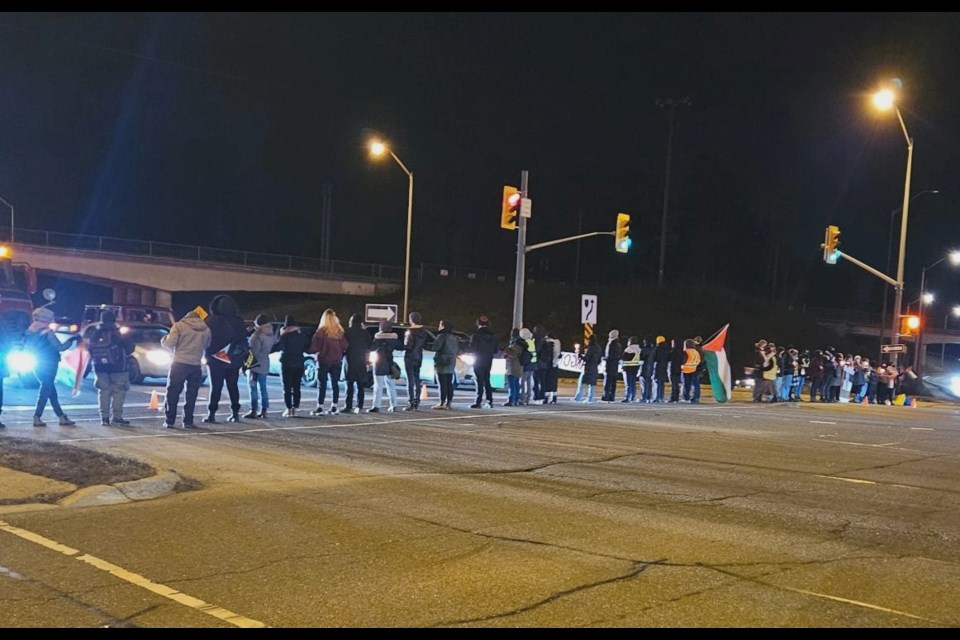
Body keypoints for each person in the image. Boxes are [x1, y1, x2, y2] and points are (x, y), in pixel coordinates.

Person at [26, 307, 78, 427]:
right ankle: (37, 416)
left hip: (36, 363)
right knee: (45, 390)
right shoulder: (47, 332)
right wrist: (72, 340)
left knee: (50, 390)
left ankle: (61, 416)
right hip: (49, 363)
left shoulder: (30, 330)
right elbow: (60, 347)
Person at [161, 306, 211, 429]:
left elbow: (169, 344)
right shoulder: (206, 329)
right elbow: (207, 345)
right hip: (196, 365)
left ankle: (170, 420)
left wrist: (163, 340)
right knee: (191, 394)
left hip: (179, 363)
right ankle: (188, 421)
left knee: (173, 392)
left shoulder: (179, 326)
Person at [203, 294, 248, 423]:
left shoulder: (212, 320)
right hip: (234, 359)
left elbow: (208, 340)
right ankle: (235, 413)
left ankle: (211, 414)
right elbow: (243, 340)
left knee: (216, 388)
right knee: (233, 386)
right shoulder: (239, 321)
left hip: (217, 359)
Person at [86, 309, 135, 426]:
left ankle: (104, 418)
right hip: (118, 366)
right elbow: (130, 349)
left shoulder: (95, 333)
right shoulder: (118, 333)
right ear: (114, 320)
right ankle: (117, 417)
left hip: (99, 367)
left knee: (103, 391)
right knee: (119, 391)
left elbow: (89, 349)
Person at [308, 309, 349, 415]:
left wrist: (312, 351)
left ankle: (320, 406)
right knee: (335, 383)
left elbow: (314, 347)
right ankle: (334, 406)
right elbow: (345, 346)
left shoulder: (321, 332)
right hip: (336, 361)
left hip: (323, 360)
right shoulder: (339, 332)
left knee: (322, 384)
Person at [276, 315, 311, 417]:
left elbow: (278, 346)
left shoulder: (285, 335)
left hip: (287, 363)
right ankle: (295, 407)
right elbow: (307, 346)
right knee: (296, 386)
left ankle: (288, 408)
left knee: (286, 387)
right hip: (299, 363)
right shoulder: (301, 334)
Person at [245, 314, 277, 419]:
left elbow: (254, 352)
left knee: (253, 387)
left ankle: (253, 409)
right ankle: (264, 410)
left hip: (255, 364)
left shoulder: (257, 336)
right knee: (263, 388)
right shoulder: (271, 333)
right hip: (265, 362)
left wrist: (246, 362)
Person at [369, 320, 400, 412]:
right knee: (391, 385)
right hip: (390, 363)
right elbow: (401, 346)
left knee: (378, 386)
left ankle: (376, 406)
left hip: (379, 364)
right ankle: (394, 405)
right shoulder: (394, 339)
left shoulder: (377, 338)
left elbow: (371, 348)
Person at [344, 313, 372, 414]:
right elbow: (370, 345)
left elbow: (343, 346)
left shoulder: (347, 332)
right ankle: (359, 406)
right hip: (361, 361)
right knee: (360, 386)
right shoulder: (365, 333)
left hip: (350, 360)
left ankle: (348, 406)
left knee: (349, 384)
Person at [468, 315, 498, 409]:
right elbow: (496, 350)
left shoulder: (476, 335)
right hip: (488, 359)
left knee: (479, 380)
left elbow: (471, 348)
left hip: (478, 359)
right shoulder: (493, 336)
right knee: (487, 379)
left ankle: (478, 401)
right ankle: (490, 400)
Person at [403, 311, 428, 411]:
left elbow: (408, 345)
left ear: (411, 320)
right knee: (417, 378)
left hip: (409, 356)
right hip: (419, 355)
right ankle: (417, 401)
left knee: (410, 379)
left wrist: (403, 348)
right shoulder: (423, 331)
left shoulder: (410, 331)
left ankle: (411, 401)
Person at [432, 319, 460, 410]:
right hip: (451, 361)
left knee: (442, 382)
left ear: (443, 326)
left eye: (440, 324)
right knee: (449, 382)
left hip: (442, 361)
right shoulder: (454, 337)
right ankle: (449, 402)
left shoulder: (441, 336)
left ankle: (442, 402)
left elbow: (436, 347)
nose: (439, 326)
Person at [575, 336, 602, 403]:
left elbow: (587, 359)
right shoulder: (598, 348)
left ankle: (578, 397)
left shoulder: (591, 348)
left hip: (588, 368)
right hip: (594, 367)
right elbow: (599, 359)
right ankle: (590, 398)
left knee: (581, 382)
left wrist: (580, 355)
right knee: (592, 384)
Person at [503, 328, 523, 407]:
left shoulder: (516, 343)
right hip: (517, 366)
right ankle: (516, 399)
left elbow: (514, 354)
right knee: (516, 384)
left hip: (513, 366)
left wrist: (506, 350)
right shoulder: (521, 342)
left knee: (512, 384)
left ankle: (512, 400)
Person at [519, 327, 538, 405]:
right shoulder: (531, 341)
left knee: (523, 381)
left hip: (527, 363)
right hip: (533, 363)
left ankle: (523, 398)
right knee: (529, 381)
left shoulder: (525, 342)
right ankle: (528, 398)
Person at [602, 329, 622, 402]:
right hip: (615, 366)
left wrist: (604, 358)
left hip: (610, 365)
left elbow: (609, 356)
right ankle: (612, 397)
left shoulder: (610, 344)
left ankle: (606, 396)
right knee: (613, 383)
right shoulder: (619, 345)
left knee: (607, 382)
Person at [542, 331, 562, 404]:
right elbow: (558, 355)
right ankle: (554, 397)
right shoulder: (557, 343)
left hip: (548, 365)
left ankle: (546, 398)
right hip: (555, 365)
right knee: (554, 382)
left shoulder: (546, 343)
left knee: (547, 381)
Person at [620, 336, 641, 403]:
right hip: (635, 368)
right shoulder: (639, 349)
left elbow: (623, 357)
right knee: (633, 383)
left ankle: (627, 397)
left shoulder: (628, 349)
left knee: (628, 384)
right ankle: (632, 397)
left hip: (627, 368)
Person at [681, 338, 702, 403]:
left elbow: (684, 359)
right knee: (695, 384)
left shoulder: (686, 351)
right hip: (693, 369)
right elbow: (699, 360)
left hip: (686, 369)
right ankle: (696, 398)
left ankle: (686, 397)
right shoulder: (696, 352)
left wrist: (682, 365)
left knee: (686, 384)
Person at [653, 336, 670, 403]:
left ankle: (656, 397)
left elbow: (655, 358)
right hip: (664, 367)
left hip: (657, 367)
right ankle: (661, 397)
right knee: (661, 383)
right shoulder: (667, 349)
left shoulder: (657, 349)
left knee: (656, 382)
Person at [639, 335, 656, 403]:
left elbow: (641, 358)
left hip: (644, 367)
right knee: (649, 382)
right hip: (651, 367)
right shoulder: (653, 349)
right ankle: (648, 396)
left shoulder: (644, 349)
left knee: (643, 383)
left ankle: (644, 397)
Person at [668, 338, 684, 403]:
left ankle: (673, 398)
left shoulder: (673, 351)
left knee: (674, 384)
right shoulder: (682, 351)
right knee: (676, 384)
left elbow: (670, 359)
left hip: (673, 369)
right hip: (679, 369)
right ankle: (676, 397)